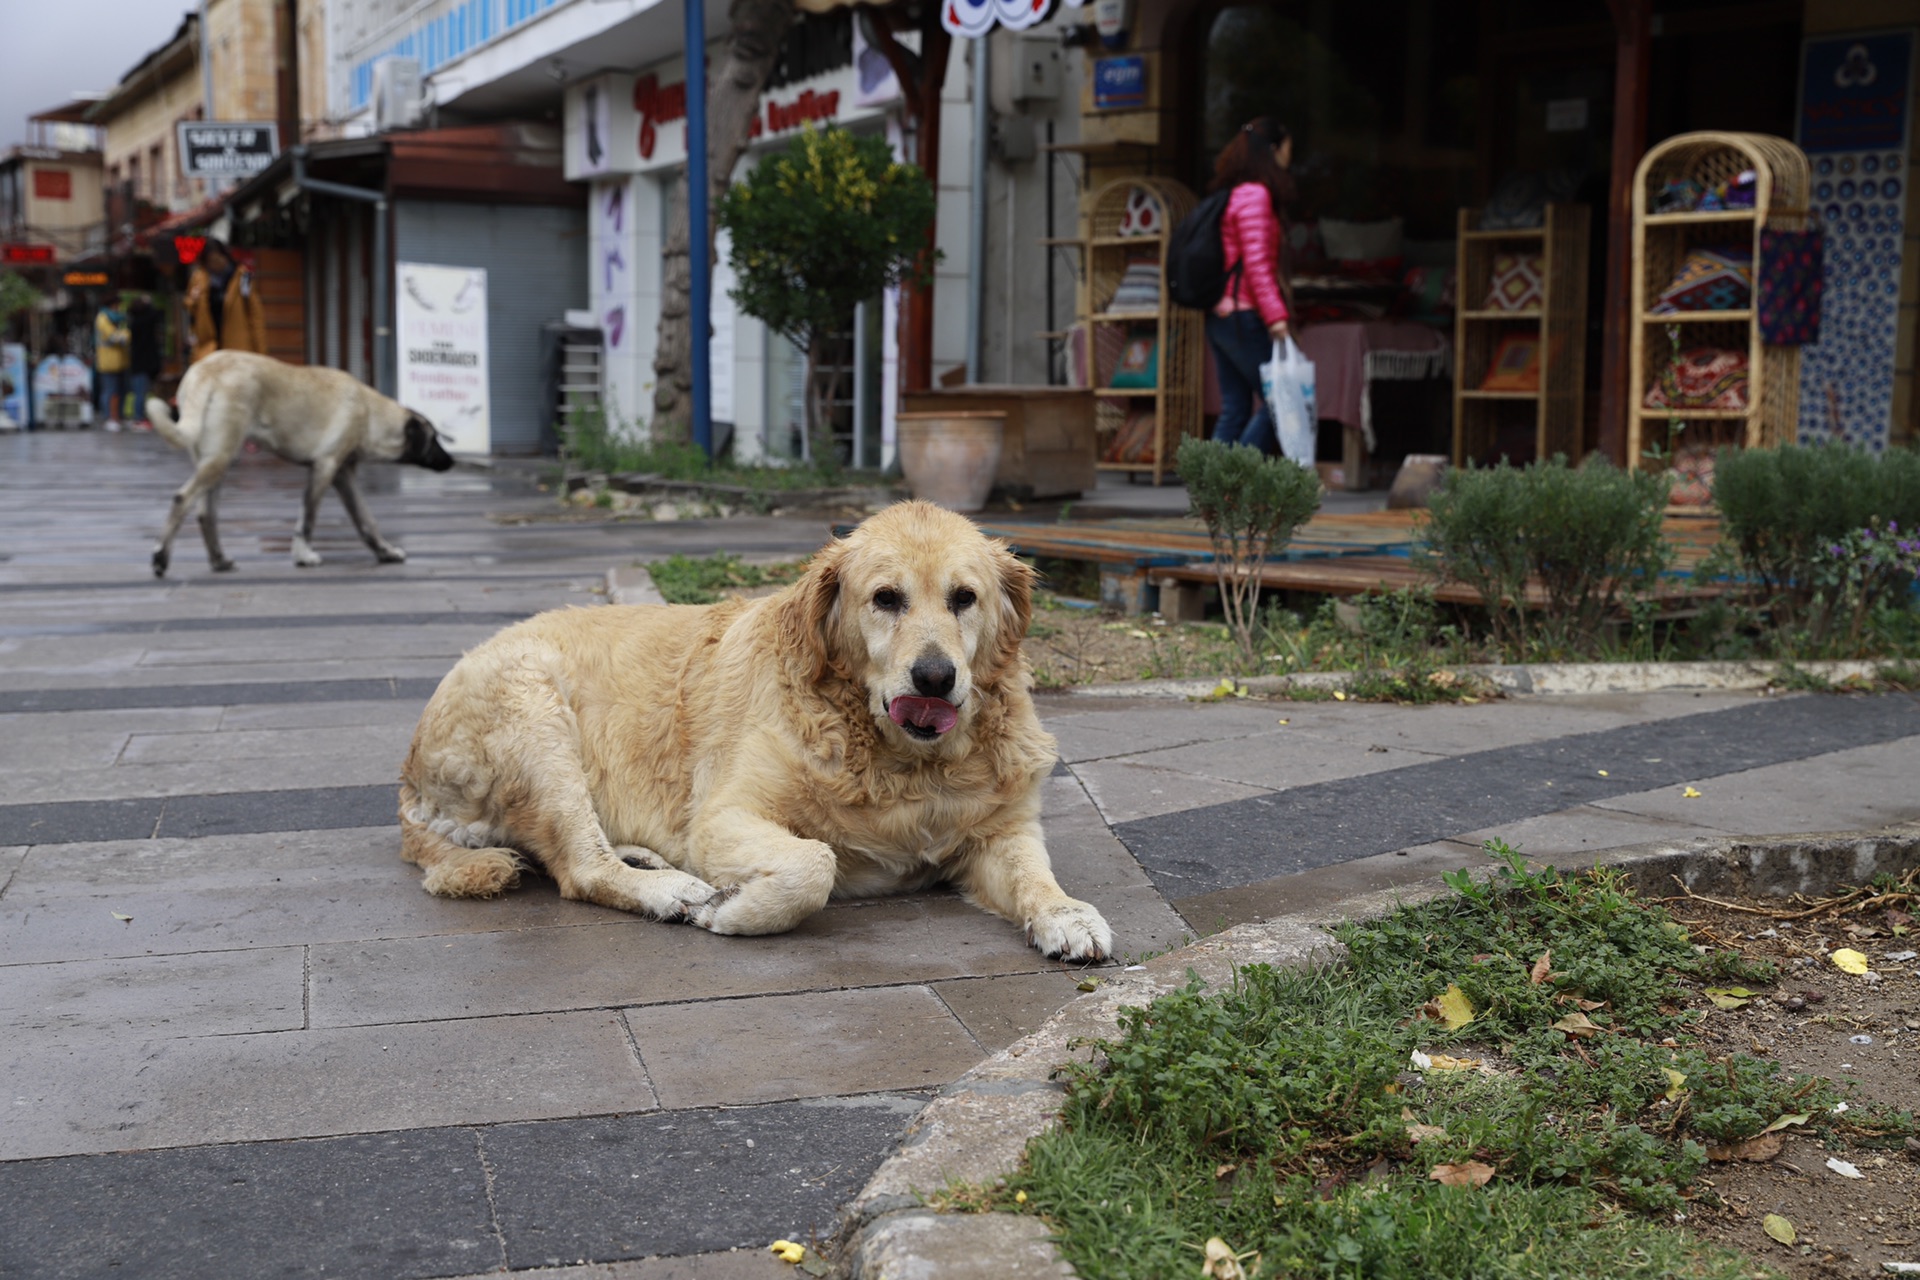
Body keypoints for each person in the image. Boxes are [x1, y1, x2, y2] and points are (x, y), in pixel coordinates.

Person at [1206, 117, 1295, 454]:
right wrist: (1276, 318)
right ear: (1273, 151)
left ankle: (1210, 492)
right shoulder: (1256, 197)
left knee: (1235, 408)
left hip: (1221, 314)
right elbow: (1258, 266)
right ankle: (1235, 481)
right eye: (1288, 150)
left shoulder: (1232, 195)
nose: (1289, 159)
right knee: (1280, 403)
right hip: (1242, 316)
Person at [184, 240, 267, 364]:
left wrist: (261, 352)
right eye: (211, 261)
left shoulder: (242, 277)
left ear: (225, 256)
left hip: (238, 345)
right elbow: (190, 309)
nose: (215, 264)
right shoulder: (199, 278)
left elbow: (256, 315)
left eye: (218, 259)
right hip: (209, 347)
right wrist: (192, 300)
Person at [93, 298, 130, 431]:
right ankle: (109, 418)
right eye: (117, 305)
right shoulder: (102, 319)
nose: (119, 308)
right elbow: (115, 337)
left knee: (120, 391)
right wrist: (127, 334)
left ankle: (118, 418)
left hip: (120, 362)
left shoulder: (120, 320)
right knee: (110, 391)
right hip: (107, 362)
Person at [127, 292, 162, 430]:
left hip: (138, 362)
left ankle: (139, 417)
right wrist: (149, 303)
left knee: (140, 391)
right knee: (141, 392)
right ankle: (138, 418)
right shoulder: (144, 322)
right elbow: (154, 315)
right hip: (143, 363)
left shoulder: (134, 322)